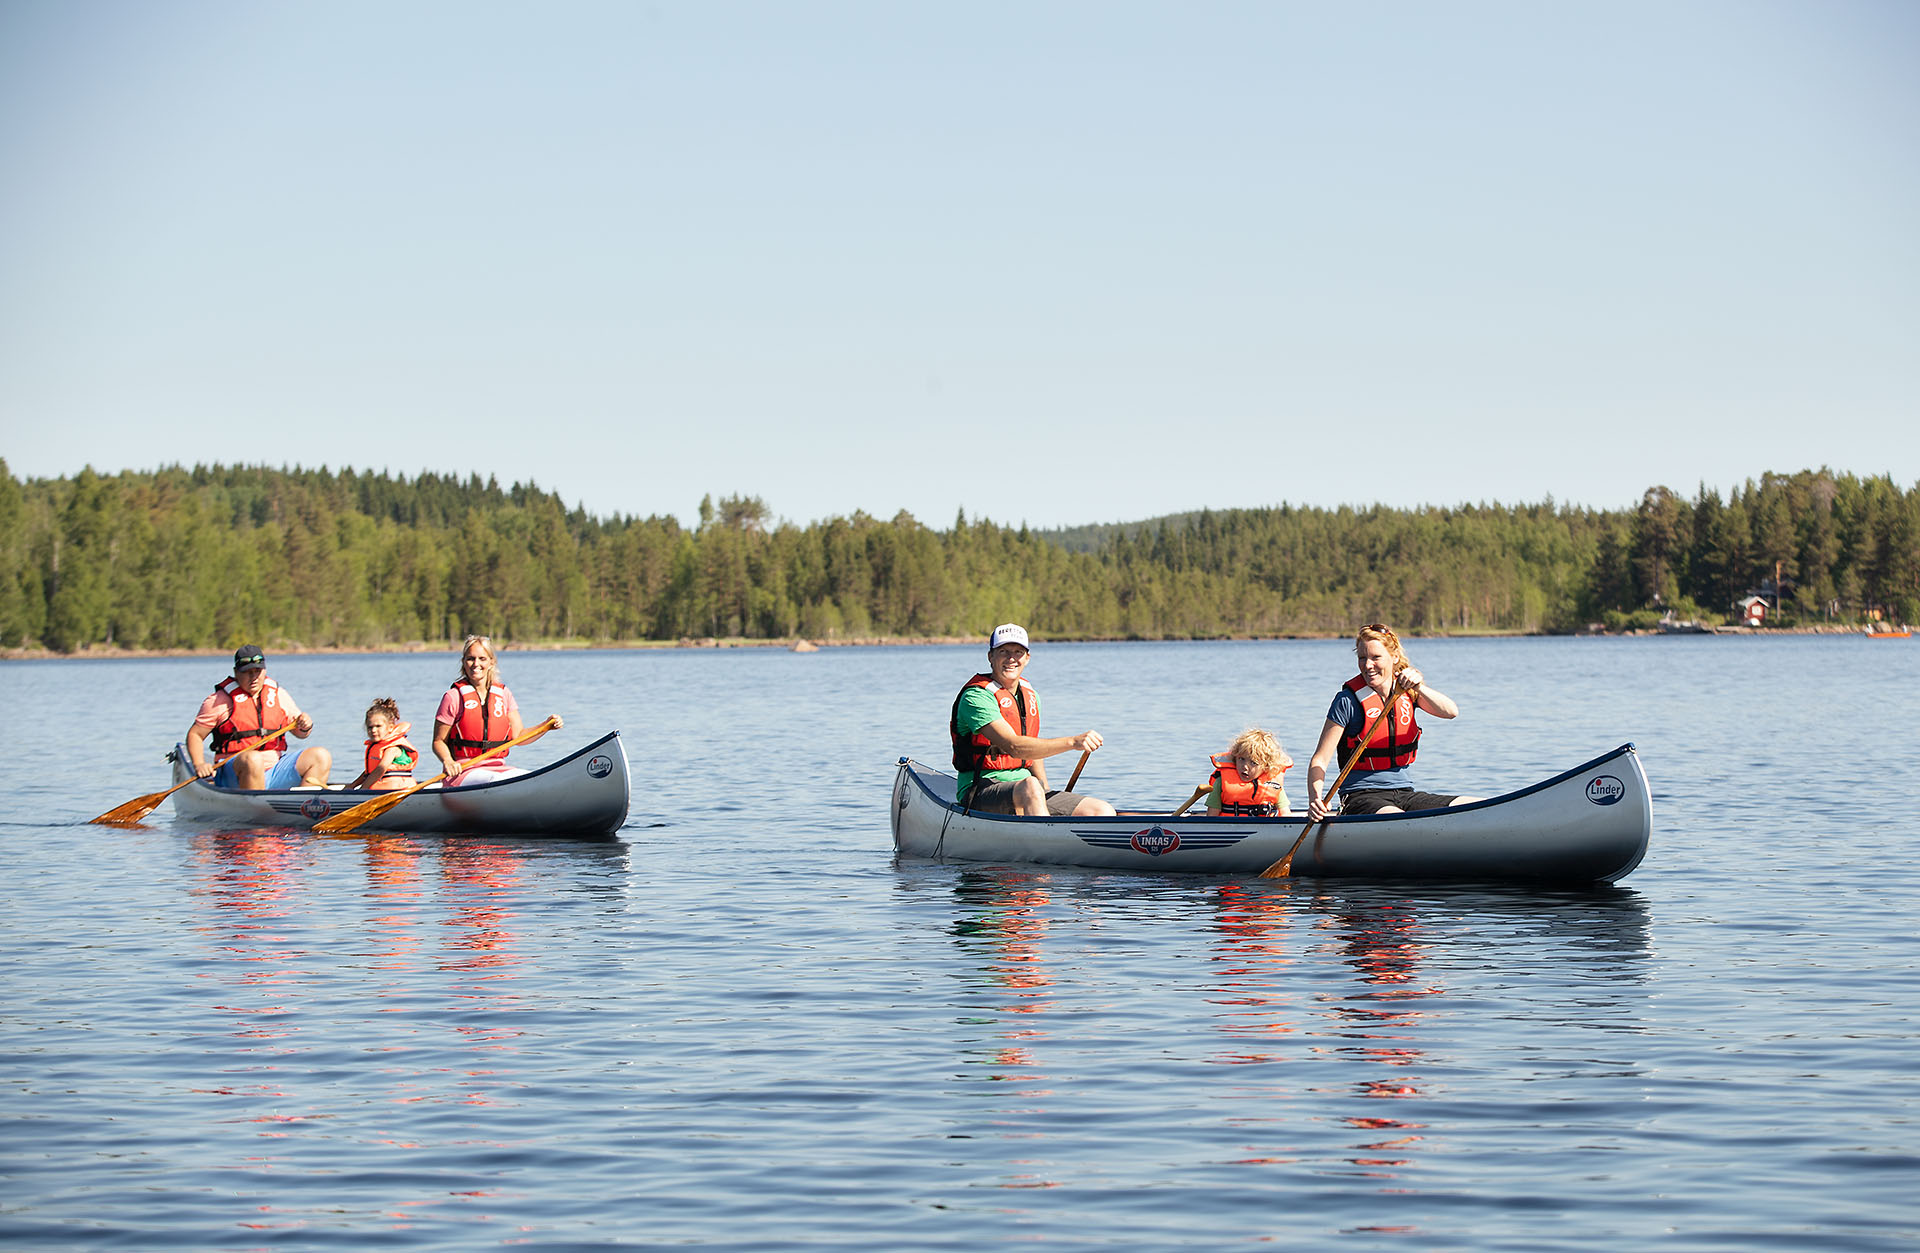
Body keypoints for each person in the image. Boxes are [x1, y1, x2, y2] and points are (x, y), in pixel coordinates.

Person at [1305, 623, 1481, 820]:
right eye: (1362, 658)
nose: (1367, 665)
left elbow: (1451, 712)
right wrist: (1315, 800)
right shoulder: (1346, 701)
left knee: (1475, 805)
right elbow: (1320, 760)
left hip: (1404, 794)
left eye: (1375, 657)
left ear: (1394, 657)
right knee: (1399, 818)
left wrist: (1419, 687)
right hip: (1360, 798)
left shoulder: (1408, 693)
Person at [949, 623, 1115, 817]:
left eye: (1018, 652)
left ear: (1027, 658)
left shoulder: (1031, 696)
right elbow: (1014, 746)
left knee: (1101, 810)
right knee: (1031, 786)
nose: (1011, 658)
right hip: (980, 789)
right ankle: (1046, 834)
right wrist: (1073, 742)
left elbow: (1032, 749)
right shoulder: (976, 697)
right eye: (1003, 651)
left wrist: (1045, 791)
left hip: (1027, 789)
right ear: (990, 657)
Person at [185, 645, 333, 790]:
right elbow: (195, 735)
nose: (254, 677)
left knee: (321, 756)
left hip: (274, 770)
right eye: (247, 672)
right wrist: (199, 764)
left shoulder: (278, 695)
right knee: (253, 759)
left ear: (264, 671)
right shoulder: (218, 701)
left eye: (257, 671)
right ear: (236, 672)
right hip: (235, 772)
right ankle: (256, 804)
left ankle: (305, 803)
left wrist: (305, 725)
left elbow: (300, 733)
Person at [431, 635, 561, 786]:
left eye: (482, 659)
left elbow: (519, 736)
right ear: (463, 662)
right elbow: (438, 741)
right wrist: (448, 761)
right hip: (463, 772)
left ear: (491, 662)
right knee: (497, 780)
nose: (476, 664)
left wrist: (546, 726)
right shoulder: (453, 697)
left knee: (532, 778)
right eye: (470, 659)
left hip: (499, 769)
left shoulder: (504, 694)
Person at [1205, 728, 1292, 817]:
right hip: (1230, 824)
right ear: (1235, 758)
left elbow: (1285, 814)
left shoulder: (1274, 784)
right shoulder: (1221, 781)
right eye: (1241, 759)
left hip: (1264, 825)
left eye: (1253, 763)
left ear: (1266, 766)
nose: (1245, 766)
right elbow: (1211, 815)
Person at [345, 697, 419, 792]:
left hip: (399, 789)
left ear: (390, 727)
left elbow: (380, 769)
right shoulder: (378, 746)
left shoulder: (392, 748)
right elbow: (370, 772)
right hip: (381, 790)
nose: (373, 730)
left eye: (378, 726)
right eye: (370, 727)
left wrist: (363, 789)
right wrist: (353, 785)